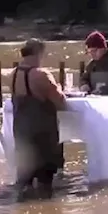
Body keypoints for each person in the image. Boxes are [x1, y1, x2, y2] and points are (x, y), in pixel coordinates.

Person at [10, 38, 66, 200]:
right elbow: (60, 102)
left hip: (21, 134)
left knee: (24, 181)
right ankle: (44, 213)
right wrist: (59, 88)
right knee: (45, 183)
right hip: (42, 136)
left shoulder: (14, 74)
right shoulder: (41, 75)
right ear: (39, 53)